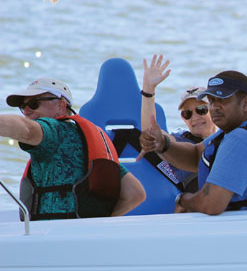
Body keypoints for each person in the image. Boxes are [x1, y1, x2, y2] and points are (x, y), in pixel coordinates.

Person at [138, 70, 247, 215]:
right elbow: (195, 156)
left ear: (246, 103)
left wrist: (183, 199)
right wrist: (163, 144)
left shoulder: (238, 140)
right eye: (212, 101)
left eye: (222, 99)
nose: (214, 107)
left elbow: (211, 205)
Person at [1, 77, 145, 220]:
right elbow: (135, 193)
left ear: (61, 106)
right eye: (22, 106)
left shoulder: (53, 131)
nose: (26, 111)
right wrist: (99, 222)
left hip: (50, 235)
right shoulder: (87, 141)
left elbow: (26, 129)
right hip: (81, 235)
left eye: (33, 104)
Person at [140, 54, 217, 195]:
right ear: (183, 119)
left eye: (201, 110)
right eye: (187, 114)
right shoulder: (179, 142)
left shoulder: (228, 138)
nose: (195, 118)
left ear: (214, 110)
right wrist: (148, 91)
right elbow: (152, 134)